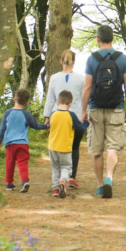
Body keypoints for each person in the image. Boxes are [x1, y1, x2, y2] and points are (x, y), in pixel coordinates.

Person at [81, 25, 126, 199]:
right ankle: (109, 177)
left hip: (96, 107)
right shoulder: (122, 58)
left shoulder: (92, 59)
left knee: (96, 150)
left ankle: (99, 186)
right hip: (116, 107)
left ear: (98, 39)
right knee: (112, 147)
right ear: (113, 38)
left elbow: (87, 86)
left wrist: (83, 110)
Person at [43, 50, 86, 188]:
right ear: (74, 62)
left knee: (58, 145)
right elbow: (85, 99)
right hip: (77, 116)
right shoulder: (81, 78)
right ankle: (71, 176)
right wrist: (87, 115)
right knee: (74, 147)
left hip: (58, 116)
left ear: (61, 62)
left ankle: (60, 177)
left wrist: (47, 117)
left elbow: (50, 99)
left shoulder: (54, 78)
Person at [0, 89, 48, 193]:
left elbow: (2, 128)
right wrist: (46, 126)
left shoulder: (8, 113)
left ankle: (9, 184)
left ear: (14, 99)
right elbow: (35, 126)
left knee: (9, 163)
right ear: (27, 103)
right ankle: (24, 181)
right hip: (22, 143)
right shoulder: (26, 114)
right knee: (22, 162)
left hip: (10, 144)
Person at [47, 90, 88, 198]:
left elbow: (49, 126)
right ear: (70, 103)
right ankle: (63, 181)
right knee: (66, 167)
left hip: (52, 147)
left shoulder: (52, 114)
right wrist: (87, 122)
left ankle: (56, 190)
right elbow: (81, 128)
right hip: (65, 147)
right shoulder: (71, 115)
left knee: (55, 169)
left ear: (57, 102)